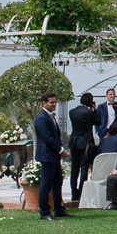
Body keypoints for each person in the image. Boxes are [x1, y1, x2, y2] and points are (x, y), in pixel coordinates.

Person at [33, 92, 71, 220]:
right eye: (51, 102)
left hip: (53, 156)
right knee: (46, 184)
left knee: (57, 182)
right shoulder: (42, 118)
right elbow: (48, 139)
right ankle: (44, 212)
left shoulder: (50, 116)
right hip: (47, 156)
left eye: (55, 102)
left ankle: (58, 209)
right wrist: (61, 151)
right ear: (44, 103)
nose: (54, 104)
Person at [68, 92, 101, 202]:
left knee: (74, 167)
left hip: (74, 142)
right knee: (84, 168)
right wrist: (95, 110)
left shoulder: (72, 112)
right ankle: (81, 191)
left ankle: (73, 192)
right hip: (85, 143)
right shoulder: (89, 112)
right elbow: (98, 121)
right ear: (90, 102)